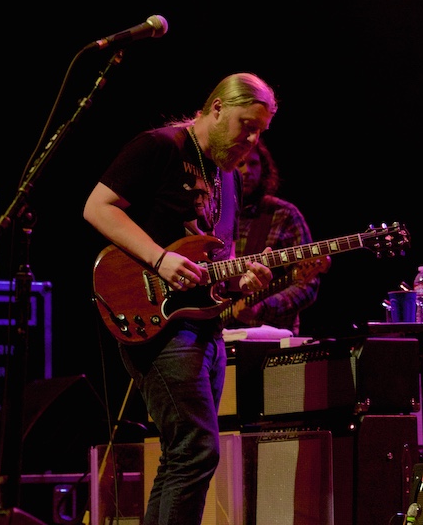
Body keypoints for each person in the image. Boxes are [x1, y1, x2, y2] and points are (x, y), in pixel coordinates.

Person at [83, 73, 278, 524]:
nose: (251, 138)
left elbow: (214, 259)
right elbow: (97, 206)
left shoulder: (228, 179)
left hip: (204, 325)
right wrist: (158, 259)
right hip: (157, 321)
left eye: (260, 131)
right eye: (246, 124)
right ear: (216, 109)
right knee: (196, 452)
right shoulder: (161, 146)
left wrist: (242, 278)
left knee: (180, 456)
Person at [231, 138, 325, 335]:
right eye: (240, 163)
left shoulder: (284, 214)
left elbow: (307, 284)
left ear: (264, 168)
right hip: (213, 337)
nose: (247, 170)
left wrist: (263, 307)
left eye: (254, 163)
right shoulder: (217, 214)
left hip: (271, 336)